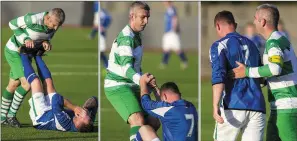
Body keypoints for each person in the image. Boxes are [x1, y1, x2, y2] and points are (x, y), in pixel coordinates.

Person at [232, 4, 297, 141]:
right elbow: (281, 70)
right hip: (280, 106)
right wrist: (264, 80)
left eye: (255, 18)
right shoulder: (280, 38)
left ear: (262, 22)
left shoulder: (273, 42)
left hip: (286, 106)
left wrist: (247, 71)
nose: (254, 22)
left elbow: (275, 68)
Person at [104, 2, 160, 141]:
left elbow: (135, 68)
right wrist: (141, 80)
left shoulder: (137, 35)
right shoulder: (126, 38)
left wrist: (146, 81)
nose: (146, 21)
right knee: (138, 120)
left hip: (132, 84)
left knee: (154, 121)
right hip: (117, 85)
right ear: (132, 16)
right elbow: (126, 69)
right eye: (143, 17)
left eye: (148, 17)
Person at [1, 8, 65, 127]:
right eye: (54, 24)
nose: (55, 28)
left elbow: (45, 37)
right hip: (14, 51)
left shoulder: (52, 27)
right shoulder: (33, 18)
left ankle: (1, 117)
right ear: (47, 18)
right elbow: (12, 24)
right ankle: (10, 116)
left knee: (13, 84)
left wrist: (46, 42)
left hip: (27, 53)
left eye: (59, 26)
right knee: (27, 84)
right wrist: (26, 38)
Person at [210, 11, 266, 141]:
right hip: (257, 106)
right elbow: (262, 78)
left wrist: (215, 106)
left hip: (233, 104)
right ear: (235, 24)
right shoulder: (253, 45)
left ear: (218, 26)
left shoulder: (219, 45)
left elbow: (219, 77)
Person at [20, 50, 97, 132]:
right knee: (48, 82)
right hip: (52, 110)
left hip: (40, 116)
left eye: (83, 117)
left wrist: (74, 108)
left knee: (36, 82)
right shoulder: (81, 121)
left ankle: (23, 54)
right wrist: (88, 112)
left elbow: (56, 98)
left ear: (78, 124)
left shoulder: (64, 123)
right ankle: (37, 55)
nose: (83, 114)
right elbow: (94, 100)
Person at [139, 76, 198, 141]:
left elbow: (146, 104)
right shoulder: (191, 107)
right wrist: (154, 88)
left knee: (145, 129)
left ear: (164, 96)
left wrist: (142, 83)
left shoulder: (169, 109)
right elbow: (164, 109)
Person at [160, 1, 188, 70]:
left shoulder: (171, 9)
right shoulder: (168, 9)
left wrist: (174, 28)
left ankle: (184, 61)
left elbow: (174, 18)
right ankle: (164, 62)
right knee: (166, 49)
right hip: (168, 32)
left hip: (171, 32)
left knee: (177, 49)